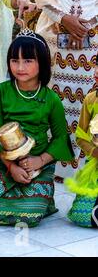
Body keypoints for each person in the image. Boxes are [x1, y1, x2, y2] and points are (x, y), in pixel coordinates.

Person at [0, 29, 74, 227]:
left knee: (29, 216)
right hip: (3, 163)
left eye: (28, 60)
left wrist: (39, 160)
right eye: (14, 60)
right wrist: (11, 166)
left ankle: (42, 201)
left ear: (42, 62)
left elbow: (61, 138)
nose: (20, 67)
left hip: (38, 166)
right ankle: (40, 199)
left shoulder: (51, 99)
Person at [33, 0, 98, 179]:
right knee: (55, 99)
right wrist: (64, 19)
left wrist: (87, 26)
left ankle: (88, 167)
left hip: (95, 38)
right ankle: (54, 165)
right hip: (55, 35)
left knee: (90, 101)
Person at [65, 57, 98, 228]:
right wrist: (94, 152)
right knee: (82, 216)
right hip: (95, 164)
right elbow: (81, 136)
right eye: (97, 66)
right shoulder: (91, 100)